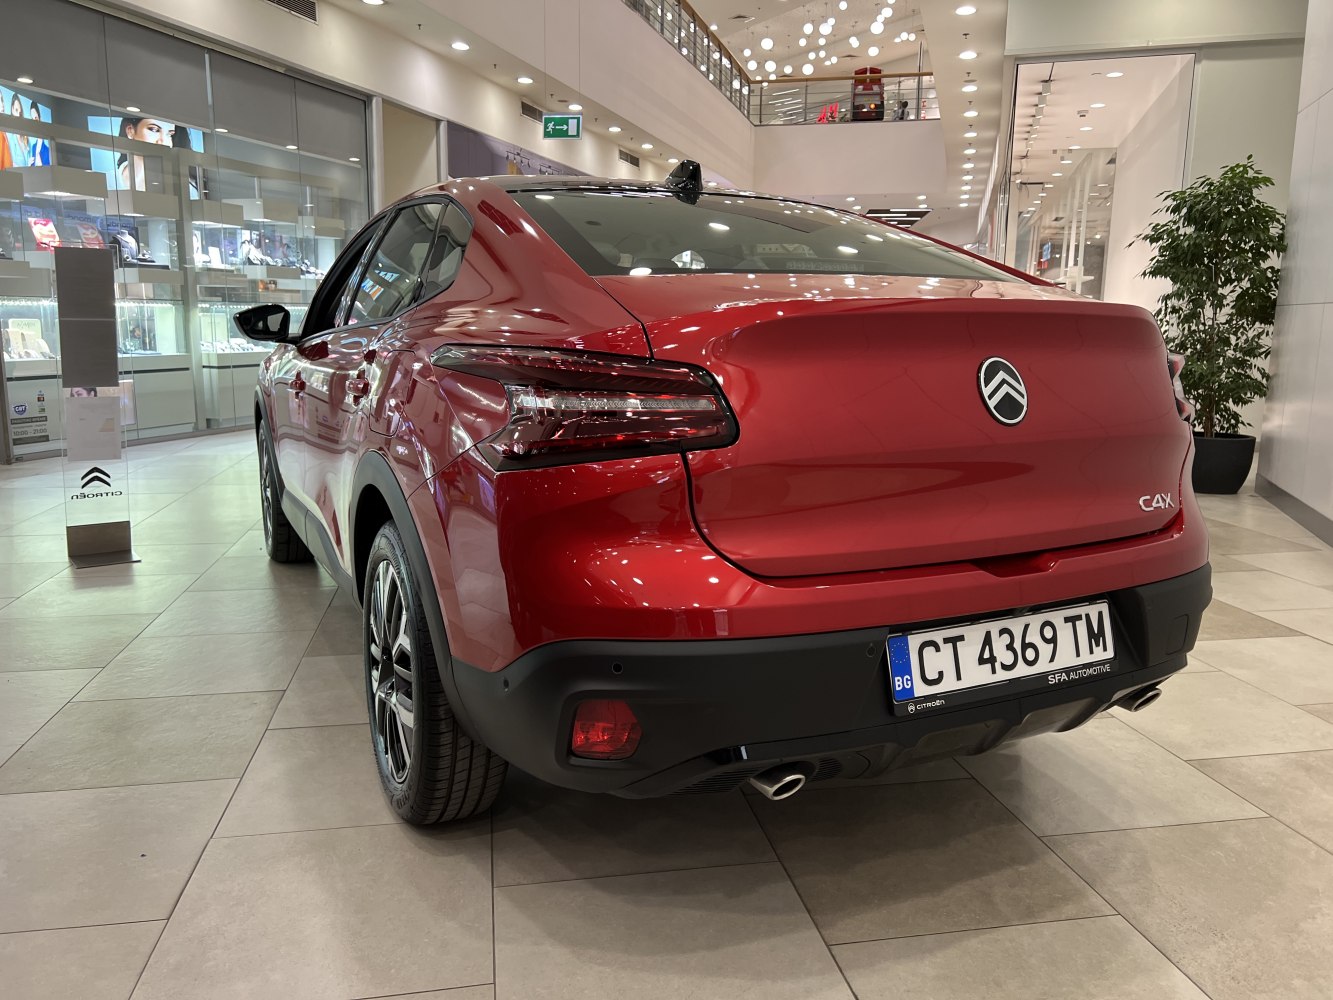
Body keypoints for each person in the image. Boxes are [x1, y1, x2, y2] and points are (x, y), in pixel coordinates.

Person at [117, 116, 174, 190]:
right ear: (130, 131)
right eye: (154, 130)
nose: (163, 141)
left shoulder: (181, 184)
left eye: (169, 134)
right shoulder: (109, 182)